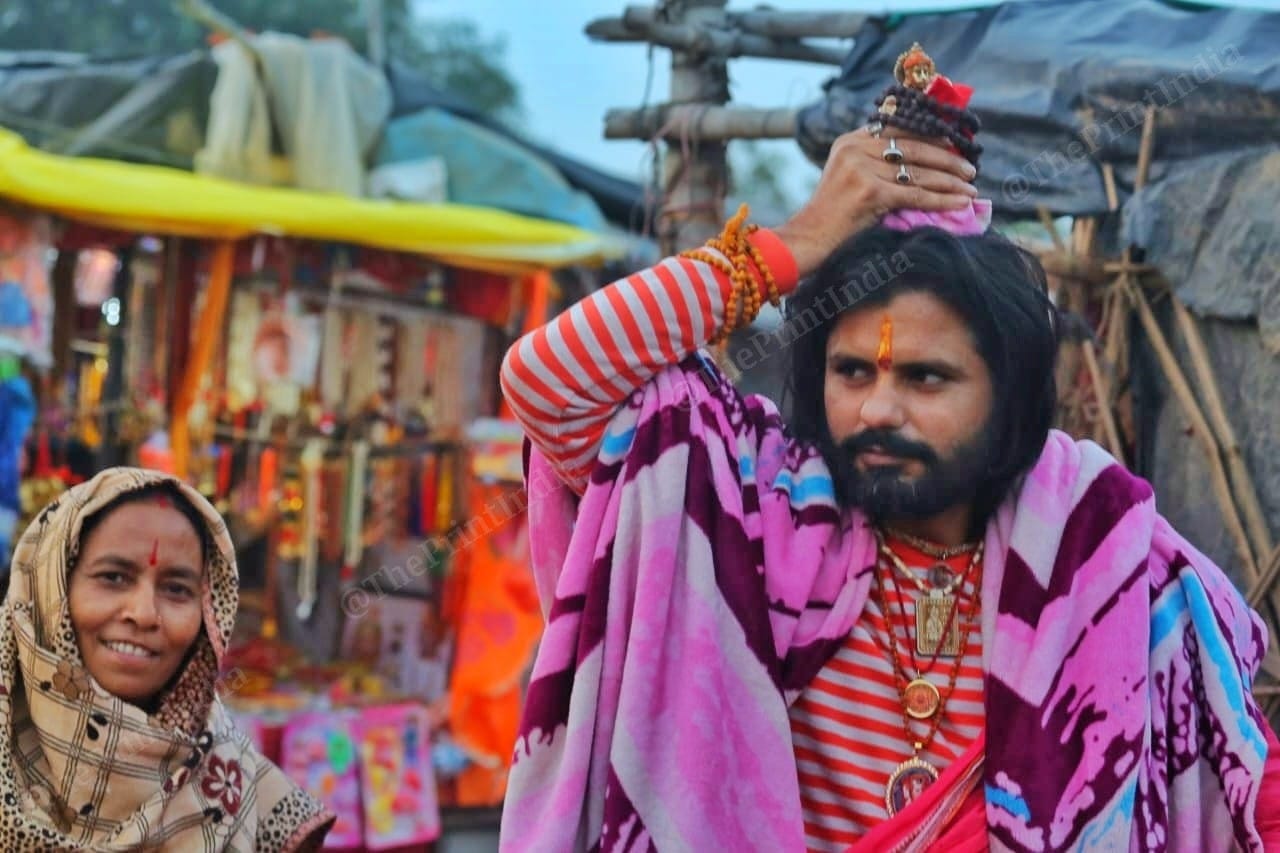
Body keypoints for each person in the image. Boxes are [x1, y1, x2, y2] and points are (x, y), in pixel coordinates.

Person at [497, 47, 1280, 852]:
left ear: (1008, 395)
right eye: (850, 371)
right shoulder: (752, 513)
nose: (877, 407)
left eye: (926, 377)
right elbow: (549, 379)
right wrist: (797, 243)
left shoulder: (1111, 560)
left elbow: (1249, 789)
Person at [1, 467, 334, 850]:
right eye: (113, 577)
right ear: (50, 587)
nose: (143, 613)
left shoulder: (242, 787)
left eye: (176, 589)